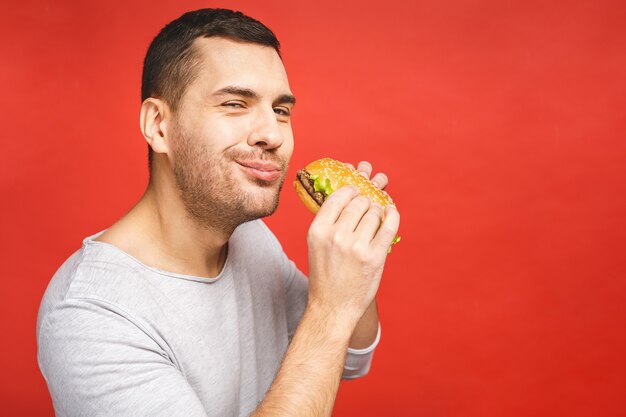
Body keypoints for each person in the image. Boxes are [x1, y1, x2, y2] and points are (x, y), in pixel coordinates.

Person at [36, 8, 400, 417]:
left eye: (281, 110)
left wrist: (360, 254)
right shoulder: (92, 314)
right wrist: (330, 308)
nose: (273, 134)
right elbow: (329, 324)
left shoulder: (248, 236)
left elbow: (349, 354)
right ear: (158, 125)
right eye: (234, 103)